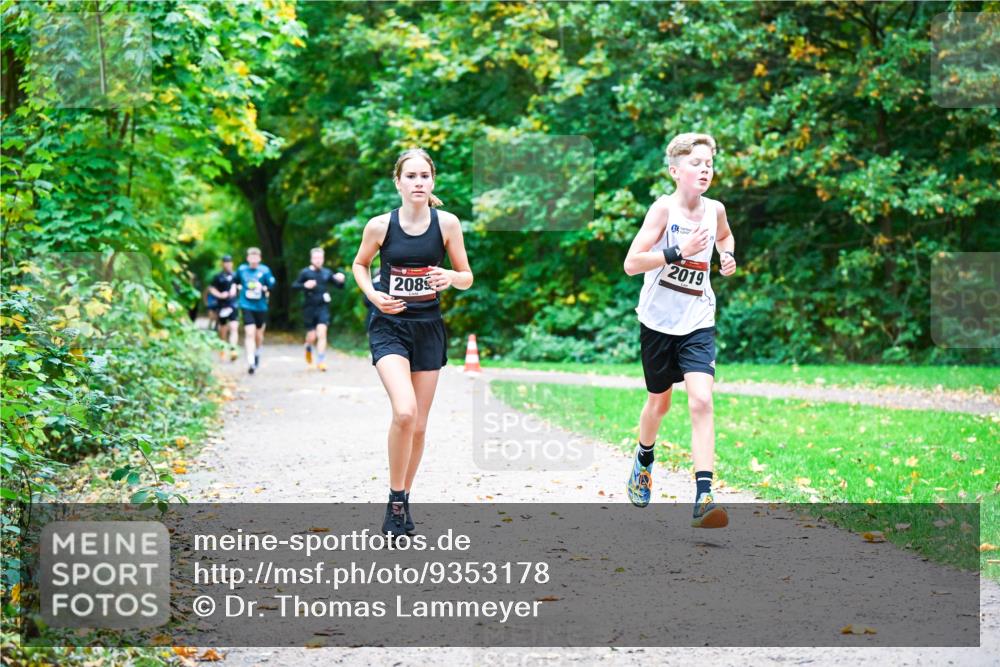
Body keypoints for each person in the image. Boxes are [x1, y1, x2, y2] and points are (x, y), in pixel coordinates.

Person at [352, 148, 473, 538]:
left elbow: (467, 275)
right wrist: (372, 294)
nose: (418, 182)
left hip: (428, 327)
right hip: (389, 325)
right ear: (398, 183)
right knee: (404, 412)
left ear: (432, 181)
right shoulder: (379, 226)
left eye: (425, 176)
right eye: (411, 176)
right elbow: (360, 264)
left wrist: (449, 277)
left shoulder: (448, 224)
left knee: (419, 427)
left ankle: (401, 500)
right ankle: (396, 494)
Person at [622, 132, 736, 528]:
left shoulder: (715, 210)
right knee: (660, 402)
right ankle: (644, 458)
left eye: (709, 163)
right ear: (675, 171)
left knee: (702, 400)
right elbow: (632, 263)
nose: (704, 169)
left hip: (698, 320)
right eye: (696, 163)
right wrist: (676, 253)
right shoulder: (662, 211)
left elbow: (724, 236)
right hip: (657, 323)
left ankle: (704, 494)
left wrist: (727, 254)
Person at [292, 247, 346, 371]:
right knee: (312, 336)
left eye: (320, 258)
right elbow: (294, 286)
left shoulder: (327, 272)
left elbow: (339, 286)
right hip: (309, 308)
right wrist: (304, 285)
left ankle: (321, 361)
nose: (318, 260)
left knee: (322, 333)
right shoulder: (305, 272)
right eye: (315, 258)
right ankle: (308, 346)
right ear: (311, 259)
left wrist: (341, 279)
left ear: (323, 259)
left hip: (323, 307)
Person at [235, 247, 276, 375]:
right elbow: (235, 281)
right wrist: (237, 287)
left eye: (255, 257)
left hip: (261, 306)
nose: (253, 260)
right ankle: (250, 361)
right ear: (247, 258)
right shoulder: (242, 270)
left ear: (259, 258)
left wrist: (263, 287)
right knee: (249, 333)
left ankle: (258, 351)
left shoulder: (264, 271)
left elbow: (272, 285)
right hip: (246, 304)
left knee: (259, 335)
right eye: (251, 257)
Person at [207, 254, 239, 361]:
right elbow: (211, 289)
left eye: (229, 262)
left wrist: (235, 288)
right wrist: (220, 295)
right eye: (226, 262)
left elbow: (241, 285)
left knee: (234, 327)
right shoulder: (218, 277)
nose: (228, 264)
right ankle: (223, 348)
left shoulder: (236, 276)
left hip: (233, 304)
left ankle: (233, 348)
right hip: (222, 305)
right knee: (223, 329)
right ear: (222, 264)